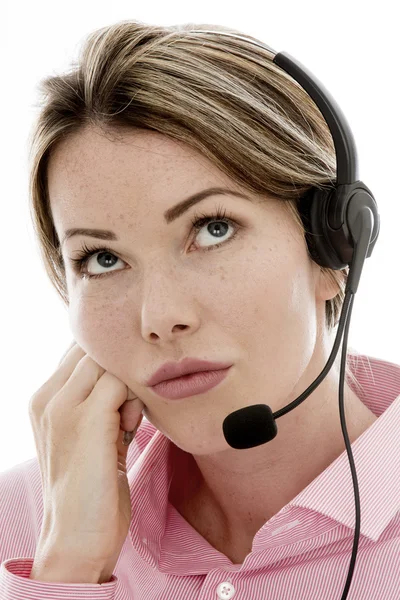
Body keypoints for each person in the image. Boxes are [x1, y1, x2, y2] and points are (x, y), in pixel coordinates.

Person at [1, 19, 399, 599]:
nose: (159, 317)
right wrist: (68, 570)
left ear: (334, 247)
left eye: (213, 229)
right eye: (103, 260)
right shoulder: (24, 520)